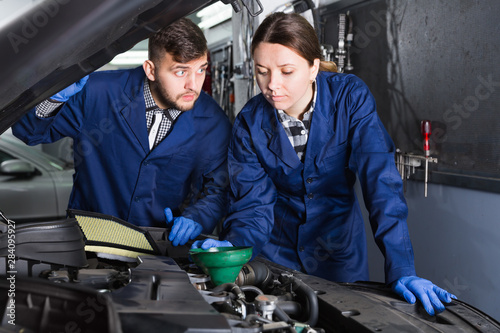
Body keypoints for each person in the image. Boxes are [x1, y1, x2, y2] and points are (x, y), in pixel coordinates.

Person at [192, 12, 455, 316]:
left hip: (337, 250)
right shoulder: (249, 123)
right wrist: (235, 247)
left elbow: (380, 182)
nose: (272, 85)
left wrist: (402, 268)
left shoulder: (350, 98)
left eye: (286, 71)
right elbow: (254, 205)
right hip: (275, 252)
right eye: (262, 71)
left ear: (313, 67)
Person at [13, 18, 232, 247]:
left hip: (161, 247)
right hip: (89, 243)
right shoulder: (98, 93)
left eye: (201, 70)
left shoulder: (212, 120)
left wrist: (196, 217)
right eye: (180, 72)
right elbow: (30, 133)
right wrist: (54, 97)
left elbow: (218, 187)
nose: (193, 85)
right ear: (151, 70)